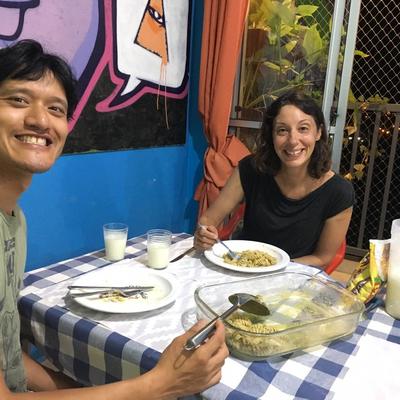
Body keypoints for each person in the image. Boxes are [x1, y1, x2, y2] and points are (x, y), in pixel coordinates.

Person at [0, 39, 228, 399]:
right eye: (18, 100)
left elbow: (9, 358)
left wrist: (76, 387)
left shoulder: (14, 218)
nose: (40, 120)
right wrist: (158, 384)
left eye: (56, 108)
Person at [194, 90, 355, 268]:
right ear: (271, 135)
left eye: (303, 128)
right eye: (282, 130)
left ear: (318, 133)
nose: (293, 140)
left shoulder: (339, 192)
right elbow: (207, 221)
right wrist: (203, 235)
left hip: (293, 276)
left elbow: (322, 258)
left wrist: (272, 267)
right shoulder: (251, 168)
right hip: (241, 268)